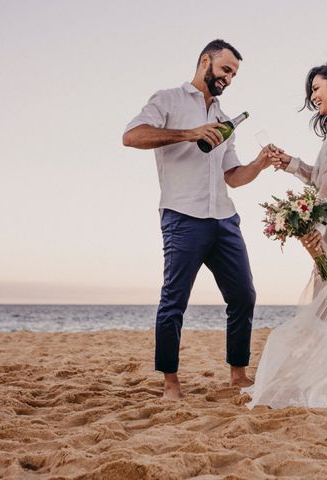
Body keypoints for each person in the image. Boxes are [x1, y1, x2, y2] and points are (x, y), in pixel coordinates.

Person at [122, 39, 276, 400]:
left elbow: (233, 176)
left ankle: (238, 375)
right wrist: (188, 134)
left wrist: (259, 164)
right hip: (182, 216)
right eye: (225, 69)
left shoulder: (224, 120)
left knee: (243, 296)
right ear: (205, 61)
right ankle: (171, 383)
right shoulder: (168, 100)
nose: (229, 78)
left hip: (224, 218)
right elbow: (131, 136)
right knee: (174, 299)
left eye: (234, 74)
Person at [243, 58, 327, 409]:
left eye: (317, 88)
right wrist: (289, 162)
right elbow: (323, 175)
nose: (313, 96)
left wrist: (311, 224)